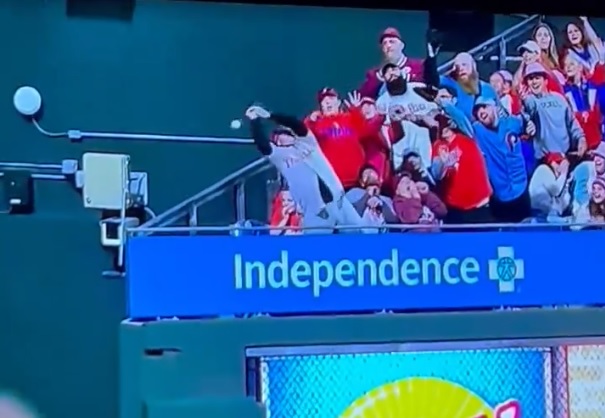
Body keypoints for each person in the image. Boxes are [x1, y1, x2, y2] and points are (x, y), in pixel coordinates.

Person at [245, 104, 364, 234]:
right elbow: (263, 146)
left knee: (363, 235)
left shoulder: (307, 142)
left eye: (285, 133)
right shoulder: (280, 156)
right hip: (315, 213)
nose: (282, 137)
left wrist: (270, 115)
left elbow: (296, 124)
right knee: (317, 245)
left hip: (339, 200)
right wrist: (254, 121)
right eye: (277, 136)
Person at [472, 97, 534, 222]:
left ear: (494, 107)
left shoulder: (512, 123)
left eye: (484, 106)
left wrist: (531, 126)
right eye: (477, 111)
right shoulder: (478, 130)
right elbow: (461, 122)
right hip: (500, 197)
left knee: (526, 230)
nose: (481, 112)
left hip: (522, 189)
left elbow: (526, 122)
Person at [430, 113, 493, 224]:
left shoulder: (468, 137)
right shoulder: (439, 145)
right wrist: (443, 163)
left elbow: (462, 119)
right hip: (456, 210)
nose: (443, 127)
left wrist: (447, 110)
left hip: (481, 206)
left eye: (445, 123)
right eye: (440, 124)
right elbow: (436, 174)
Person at [305, 89, 373, 190]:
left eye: (331, 98)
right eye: (323, 101)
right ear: (321, 107)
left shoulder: (350, 118)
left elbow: (365, 132)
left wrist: (356, 111)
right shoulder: (317, 125)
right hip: (333, 184)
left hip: (359, 181)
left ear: (338, 102)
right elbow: (304, 137)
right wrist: (310, 121)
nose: (327, 102)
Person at [522, 62, 587, 162]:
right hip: (545, 160)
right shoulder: (530, 100)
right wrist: (524, 100)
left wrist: (581, 139)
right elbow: (529, 109)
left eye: (537, 78)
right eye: (530, 79)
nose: (534, 82)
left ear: (546, 81)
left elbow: (572, 122)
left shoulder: (559, 98)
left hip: (567, 156)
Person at [359, 27, 441, 99]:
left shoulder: (419, 66)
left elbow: (433, 85)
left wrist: (431, 58)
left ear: (402, 45)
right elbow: (363, 96)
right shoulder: (375, 74)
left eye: (392, 42)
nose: (388, 46)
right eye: (384, 43)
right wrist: (379, 79)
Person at [427, 52, 501, 121]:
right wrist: (431, 57)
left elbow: (499, 114)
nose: (461, 69)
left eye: (464, 65)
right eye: (457, 67)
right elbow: (433, 79)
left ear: (473, 66)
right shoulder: (454, 84)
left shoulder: (487, 89)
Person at [563, 54, 603, 151]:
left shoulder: (592, 85)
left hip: (597, 134)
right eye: (565, 65)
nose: (568, 67)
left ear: (580, 67)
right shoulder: (565, 89)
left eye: (571, 64)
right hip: (578, 136)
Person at [346, 166, 398, 232]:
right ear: (362, 183)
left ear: (380, 180)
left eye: (373, 173)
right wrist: (367, 197)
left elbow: (394, 223)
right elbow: (348, 216)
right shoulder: (354, 193)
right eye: (366, 174)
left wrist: (381, 204)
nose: (370, 175)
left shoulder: (387, 200)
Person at [528, 153, 571, 220]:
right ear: (552, 163)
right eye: (558, 163)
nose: (561, 167)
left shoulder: (557, 180)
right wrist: (563, 173)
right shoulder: (543, 169)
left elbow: (561, 208)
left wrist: (566, 185)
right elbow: (556, 191)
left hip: (548, 214)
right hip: (539, 213)